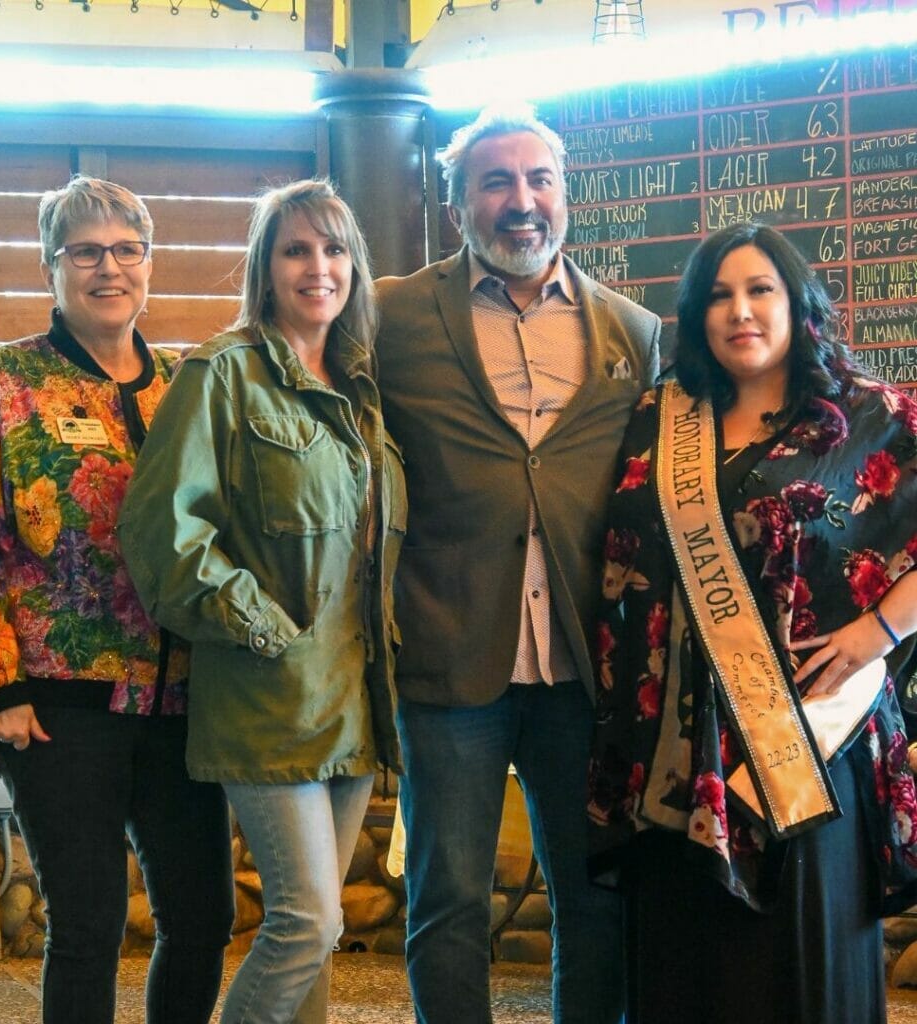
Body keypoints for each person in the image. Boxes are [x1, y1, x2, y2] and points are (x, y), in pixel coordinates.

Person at [587, 222, 917, 1024]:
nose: (741, 311)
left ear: (797, 302)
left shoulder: (869, 417)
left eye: (760, 289)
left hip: (810, 744)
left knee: (799, 975)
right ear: (697, 314)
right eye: (720, 295)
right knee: (689, 978)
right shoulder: (661, 419)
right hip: (673, 754)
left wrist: (885, 628)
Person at [0, 176, 234, 1024]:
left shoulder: (188, 385)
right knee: (90, 923)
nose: (109, 267)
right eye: (85, 251)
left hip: (184, 704)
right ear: (50, 266)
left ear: (149, 262)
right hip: (58, 708)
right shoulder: (1, 385)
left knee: (206, 918)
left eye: (126, 249)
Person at [375, 106, 660, 1024]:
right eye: (496, 182)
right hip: (450, 654)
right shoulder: (390, 316)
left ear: (565, 195)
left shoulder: (634, 332)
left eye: (539, 180)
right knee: (450, 899)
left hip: (587, 665)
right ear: (458, 203)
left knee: (595, 898)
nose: (521, 202)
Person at [117, 179, 406, 1024]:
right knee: (306, 920)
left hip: (353, 696)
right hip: (267, 694)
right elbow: (162, 534)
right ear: (265, 267)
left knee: (313, 939)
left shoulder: (361, 389)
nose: (318, 267)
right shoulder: (223, 373)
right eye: (296, 249)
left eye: (334, 248)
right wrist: (263, 628)